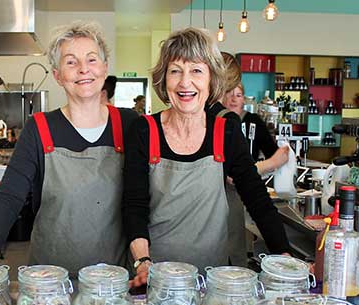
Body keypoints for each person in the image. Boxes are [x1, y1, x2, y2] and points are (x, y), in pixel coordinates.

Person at [0, 21, 137, 286]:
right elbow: (11, 193)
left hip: (113, 281)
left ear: (104, 69)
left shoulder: (129, 124)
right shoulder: (40, 128)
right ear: (57, 75)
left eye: (92, 60)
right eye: (71, 62)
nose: (84, 69)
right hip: (48, 282)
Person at [122, 27, 290, 286]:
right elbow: (134, 205)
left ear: (211, 80)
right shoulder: (144, 130)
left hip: (212, 277)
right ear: (163, 79)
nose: (185, 83)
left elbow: (256, 198)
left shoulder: (226, 132)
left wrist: (284, 256)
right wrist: (142, 263)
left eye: (196, 71)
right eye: (175, 70)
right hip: (155, 275)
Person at [222, 82, 291, 266]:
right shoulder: (216, 123)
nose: (233, 98)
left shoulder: (253, 122)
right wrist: (267, 165)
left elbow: (275, 154)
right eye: (229, 93)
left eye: (238, 94)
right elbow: (227, 174)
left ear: (244, 99)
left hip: (243, 193)